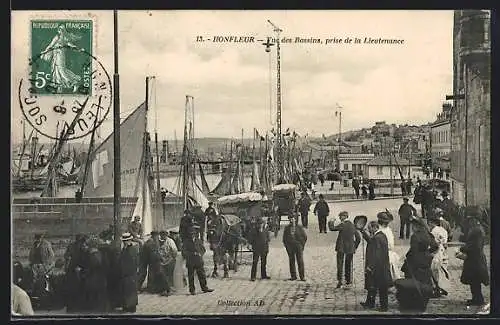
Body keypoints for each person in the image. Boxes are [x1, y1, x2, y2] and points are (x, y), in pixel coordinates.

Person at [399, 215, 438, 313]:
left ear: (416, 226)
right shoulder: (428, 234)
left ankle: (414, 303)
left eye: (413, 225)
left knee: (413, 282)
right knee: (425, 281)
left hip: (415, 263)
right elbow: (435, 246)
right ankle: (423, 301)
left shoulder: (415, 236)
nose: (412, 227)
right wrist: (428, 253)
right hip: (426, 261)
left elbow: (414, 251)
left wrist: (408, 259)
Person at [359, 221, 392, 311]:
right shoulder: (381, 235)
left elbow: (377, 253)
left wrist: (371, 266)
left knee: (381, 287)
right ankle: (370, 303)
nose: (370, 231)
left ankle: (383, 307)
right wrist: (363, 232)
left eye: (370, 229)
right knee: (372, 285)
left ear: (374, 227)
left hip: (378, 267)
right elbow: (370, 241)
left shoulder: (377, 238)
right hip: (382, 265)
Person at [458, 214, 489, 306]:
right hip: (474, 258)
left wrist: (463, 248)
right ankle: (476, 298)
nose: (469, 222)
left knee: (475, 279)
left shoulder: (477, 230)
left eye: (470, 219)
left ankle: (478, 299)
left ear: (475, 219)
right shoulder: (477, 229)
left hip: (475, 260)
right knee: (474, 280)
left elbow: (475, 246)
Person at [331, 211, 361, 289]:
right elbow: (358, 238)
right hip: (350, 248)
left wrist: (331, 221)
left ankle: (340, 281)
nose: (340, 218)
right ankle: (348, 280)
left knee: (340, 264)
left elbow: (332, 228)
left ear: (345, 216)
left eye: (341, 216)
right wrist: (355, 246)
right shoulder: (352, 225)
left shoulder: (343, 224)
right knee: (348, 264)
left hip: (341, 247)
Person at [182, 225, 214, 295]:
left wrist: (200, 254)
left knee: (202, 275)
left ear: (195, 234)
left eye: (193, 233)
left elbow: (203, 249)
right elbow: (183, 252)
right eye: (190, 234)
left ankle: (204, 288)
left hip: (199, 261)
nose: (192, 235)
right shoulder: (186, 242)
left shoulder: (198, 241)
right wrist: (191, 254)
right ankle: (192, 290)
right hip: (191, 261)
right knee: (191, 276)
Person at [81, 236, 109, 313]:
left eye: (87, 245)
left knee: (96, 297)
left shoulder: (93, 255)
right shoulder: (100, 254)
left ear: (91, 246)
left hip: (94, 279)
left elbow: (91, 268)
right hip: (100, 279)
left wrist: (83, 273)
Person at [428, 217, 449, 298]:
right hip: (442, 251)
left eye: (430, 223)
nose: (429, 225)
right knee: (440, 270)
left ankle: (437, 289)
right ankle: (440, 288)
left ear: (433, 223)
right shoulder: (444, 230)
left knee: (434, 271)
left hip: (436, 252)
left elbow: (433, 243)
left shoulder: (434, 231)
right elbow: (445, 242)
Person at [377, 211, 401, 283]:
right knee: (393, 270)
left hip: (384, 253)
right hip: (390, 252)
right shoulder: (388, 229)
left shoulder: (380, 231)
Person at [282, 214, 307, 281]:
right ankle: (293, 276)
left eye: (293, 219)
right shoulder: (287, 228)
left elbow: (304, 237)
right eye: (290, 219)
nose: (291, 220)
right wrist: (287, 246)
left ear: (295, 219)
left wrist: (302, 246)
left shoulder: (299, 227)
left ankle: (302, 276)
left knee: (300, 261)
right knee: (291, 261)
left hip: (298, 246)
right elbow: (284, 239)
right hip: (290, 247)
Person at [119, 233, 139, 313]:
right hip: (125, 274)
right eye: (124, 241)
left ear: (130, 241)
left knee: (131, 291)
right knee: (126, 291)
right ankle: (126, 306)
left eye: (126, 241)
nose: (125, 242)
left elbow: (134, 262)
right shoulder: (125, 249)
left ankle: (131, 307)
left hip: (130, 274)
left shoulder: (132, 250)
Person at [157, 231, 178, 296]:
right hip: (163, 261)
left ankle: (170, 289)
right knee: (163, 275)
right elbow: (159, 251)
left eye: (163, 235)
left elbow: (174, 251)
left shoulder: (170, 241)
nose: (162, 236)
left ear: (166, 235)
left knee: (169, 275)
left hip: (170, 260)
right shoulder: (160, 242)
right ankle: (165, 289)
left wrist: (172, 258)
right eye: (161, 235)